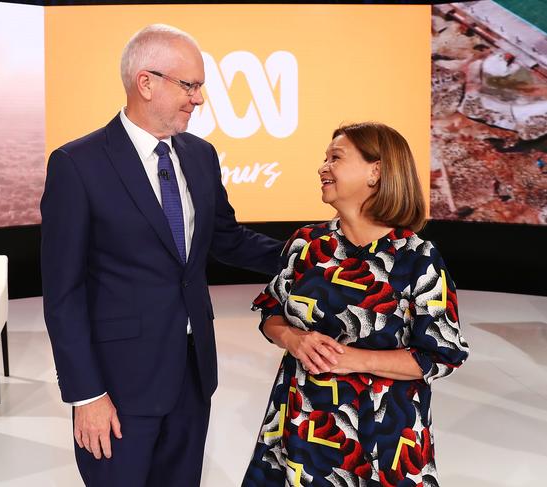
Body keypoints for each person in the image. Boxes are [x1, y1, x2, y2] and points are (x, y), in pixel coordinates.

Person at [40, 24, 282, 487]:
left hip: (193, 375)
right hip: (118, 387)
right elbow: (63, 293)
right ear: (145, 83)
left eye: (200, 86)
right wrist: (86, 394)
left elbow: (227, 240)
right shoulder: (77, 165)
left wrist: (316, 254)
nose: (199, 98)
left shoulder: (200, 155)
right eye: (189, 85)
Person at [242, 122, 469, 486]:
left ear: (376, 171)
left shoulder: (418, 258)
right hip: (302, 428)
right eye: (324, 159)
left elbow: (441, 355)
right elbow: (272, 312)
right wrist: (293, 339)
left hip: (384, 439)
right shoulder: (306, 244)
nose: (323, 167)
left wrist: (353, 360)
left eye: (336, 158)